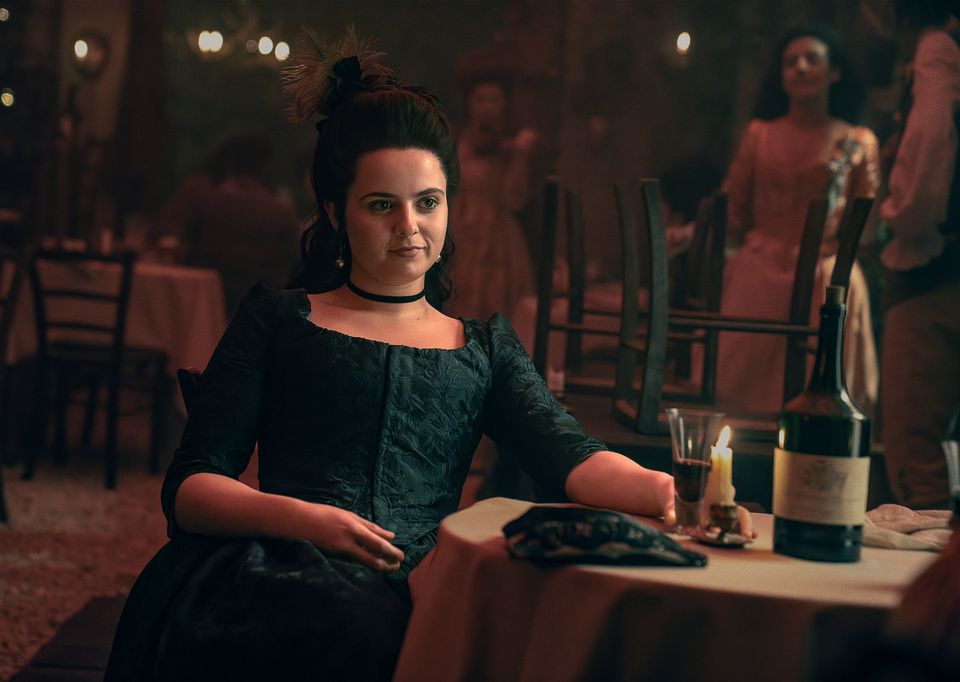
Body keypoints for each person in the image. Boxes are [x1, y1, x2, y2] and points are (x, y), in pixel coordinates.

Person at [105, 37, 738, 681]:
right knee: (342, 626)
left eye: (427, 202)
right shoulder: (279, 321)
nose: (409, 225)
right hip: (277, 573)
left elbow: (573, 457)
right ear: (336, 212)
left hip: (423, 584)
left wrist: (673, 489)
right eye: (382, 204)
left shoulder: (482, 348)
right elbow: (189, 490)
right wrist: (311, 523)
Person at [718, 24, 881, 414]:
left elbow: (868, 227)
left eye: (812, 59)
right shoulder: (759, 135)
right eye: (790, 62)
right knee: (739, 399)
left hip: (826, 273)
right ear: (781, 75)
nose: (801, 68)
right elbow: (733, 208)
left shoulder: (858, 141)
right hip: (759, 268)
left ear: (834, 72)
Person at [879, 0, 960, 509]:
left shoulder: (938, 49)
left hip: (936, 272)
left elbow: (928, 145)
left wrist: (903, 215)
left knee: (916, 451)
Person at [153, 131, 302, 316]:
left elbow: (166, 234)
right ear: (266, 168)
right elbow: (292, 260)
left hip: (200, 303)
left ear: (229, 164)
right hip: (258, 307)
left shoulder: (207, 198)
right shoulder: (280, 211)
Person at [447, 49, 539, 323]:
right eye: (481, 99)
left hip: (500, 243)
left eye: (494, 100)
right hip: (461, 236)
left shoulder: (510, 147)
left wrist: (520, 156)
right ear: (470, 103)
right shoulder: (456, 143)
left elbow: (515, 200)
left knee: (496, 312)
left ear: (504, 104)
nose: (487, 107)